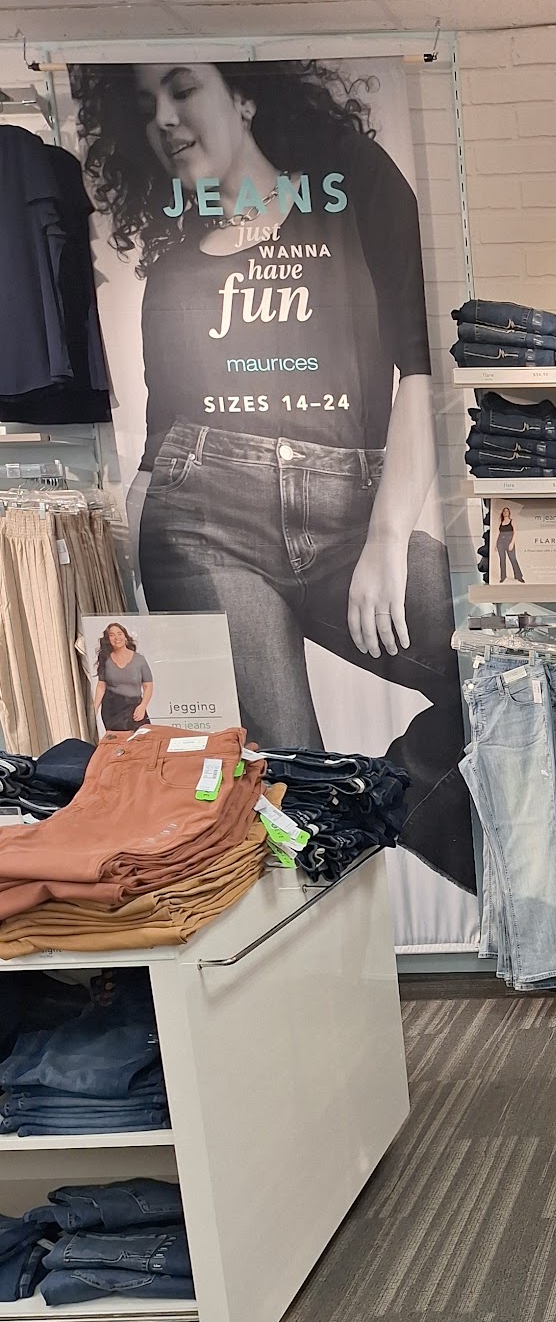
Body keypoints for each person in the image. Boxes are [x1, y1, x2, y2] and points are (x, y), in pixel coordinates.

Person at [70, 60, 474, 892]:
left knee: (497, 658)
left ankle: (384, 799)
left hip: (351, 513)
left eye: (183, 89)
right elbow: (157, 447)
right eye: (145, 106)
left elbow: (421, 367)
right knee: (291, 783)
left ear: (246, 97)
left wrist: (388, 539)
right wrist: (129, 612)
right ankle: (328, 872)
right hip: (202, 526)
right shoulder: (172, 275)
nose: (165, 118)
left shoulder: (353, 190)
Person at [93, 622, 153, 732]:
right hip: (112, 709)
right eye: (112, 635)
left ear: (125, 637)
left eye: (119, 634)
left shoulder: (139, 660)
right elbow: (101, 686)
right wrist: (94, 710)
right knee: (119, 740)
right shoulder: (105, 659)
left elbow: (148, 686)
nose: (116, 638)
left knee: (143, 737)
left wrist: (143, 706)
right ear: (108, 639)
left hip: (134, 706)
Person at [490, 505, 523, 584]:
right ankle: (503, 577)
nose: (505, 512)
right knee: (502, 559)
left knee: (513, 558)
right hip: (500, 542)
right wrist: (495, 544)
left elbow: (515, 532)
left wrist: (512, 543)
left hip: (509, 541)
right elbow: (498, 533)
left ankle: (518, 576)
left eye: (507, 511)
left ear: (509, 513)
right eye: (504, 511)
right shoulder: (500, 522)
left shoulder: (512, 521)